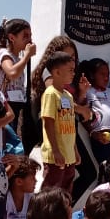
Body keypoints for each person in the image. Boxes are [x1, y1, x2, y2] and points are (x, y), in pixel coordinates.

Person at [38, 51, 81, 193]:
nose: (73, 73)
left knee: (65, 192)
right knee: (51, 193)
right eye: (70, 70)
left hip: (69, 155)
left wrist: (74, 150)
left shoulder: (68, 95)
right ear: (56, 72)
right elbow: (48, 123)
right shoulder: (51, 94)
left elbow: (71, 125)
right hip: (55, 156)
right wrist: (55, 151)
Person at [0, 18, 36, 130]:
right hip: (5, 108)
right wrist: (27, 56)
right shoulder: (4, 54)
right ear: (12, 38)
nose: (29, 39)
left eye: (30, 36)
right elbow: (12, 73)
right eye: (25, 36)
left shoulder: (18, 58)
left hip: (16, 106)